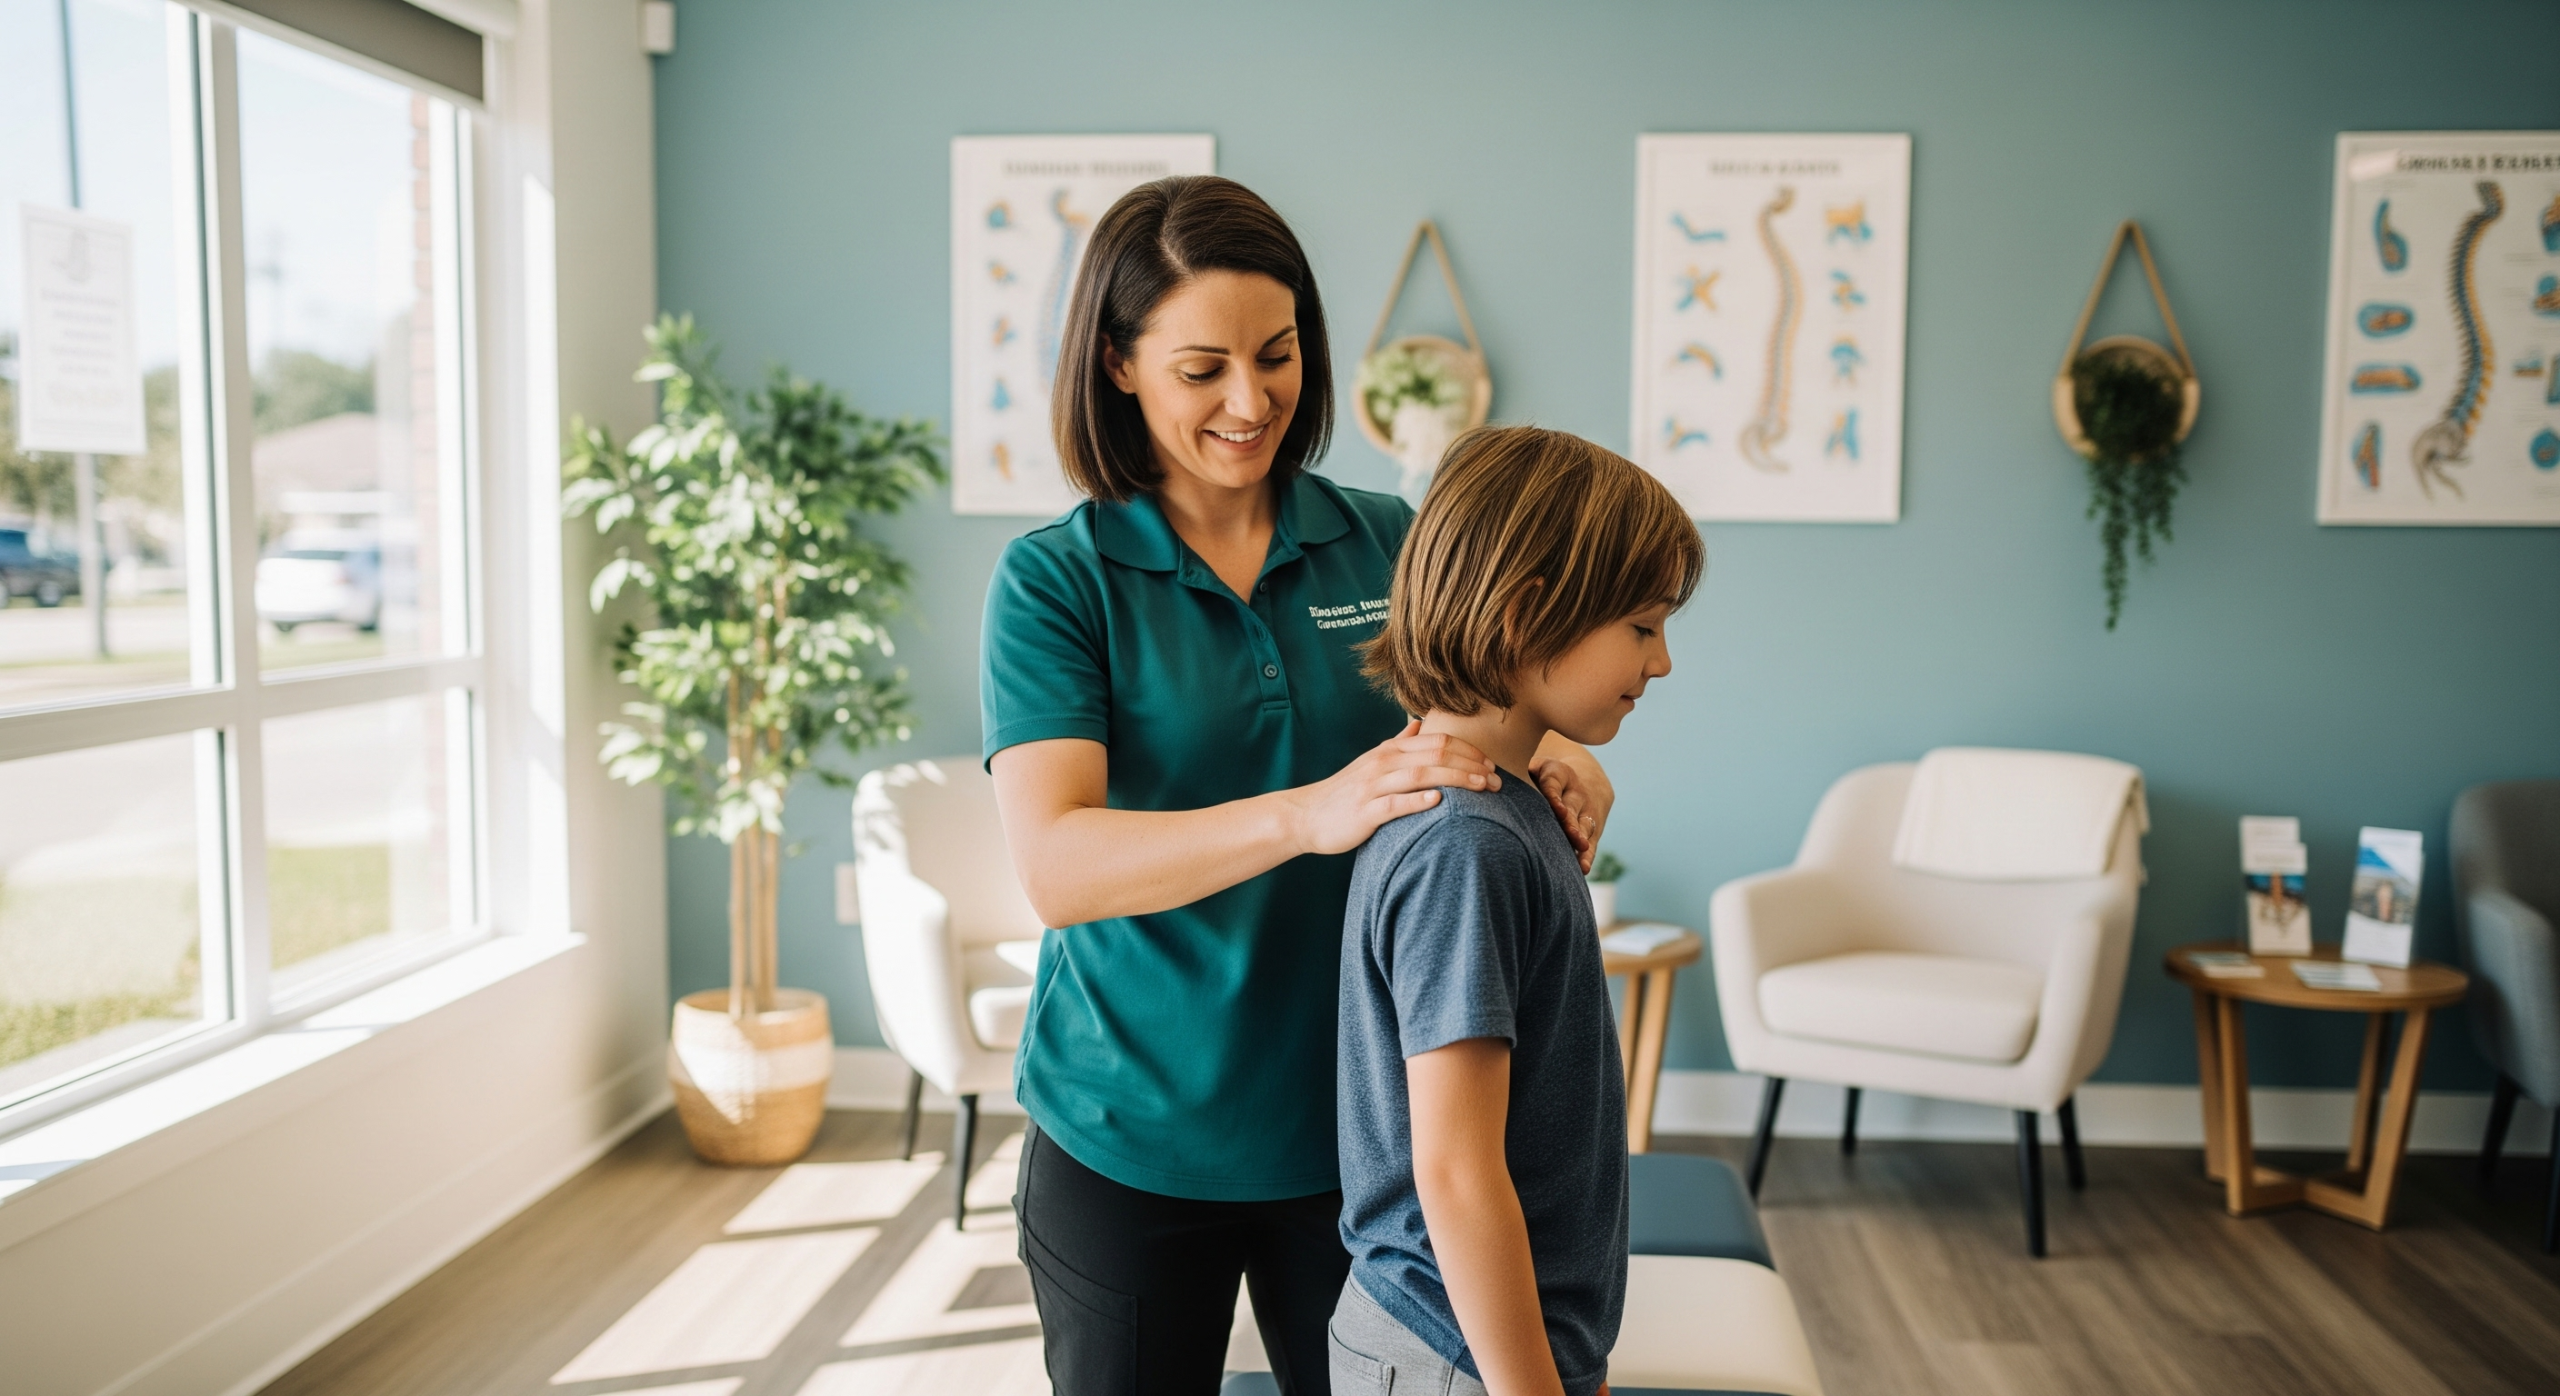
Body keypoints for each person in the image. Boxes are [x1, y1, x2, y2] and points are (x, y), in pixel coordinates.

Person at [981, 177, 1616, 1395]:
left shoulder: (1390, 537)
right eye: (1202, 367)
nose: (1250, 400)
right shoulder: (1057, 582)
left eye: (1276, 356)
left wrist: (1562, 762)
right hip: (1130, 1135)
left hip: (1354, 1145)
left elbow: (1490, 714)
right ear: (1117, 364)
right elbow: (1057, 866)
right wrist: (1305, 815)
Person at [1334, 426, 1705, 1396]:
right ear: (1526, 614)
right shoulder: (1465, 844)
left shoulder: (1508, 804)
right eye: (1641, 625)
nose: (1661, 661)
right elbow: (1454, 1170)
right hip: (1451, 1348)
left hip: (1485, 1339)